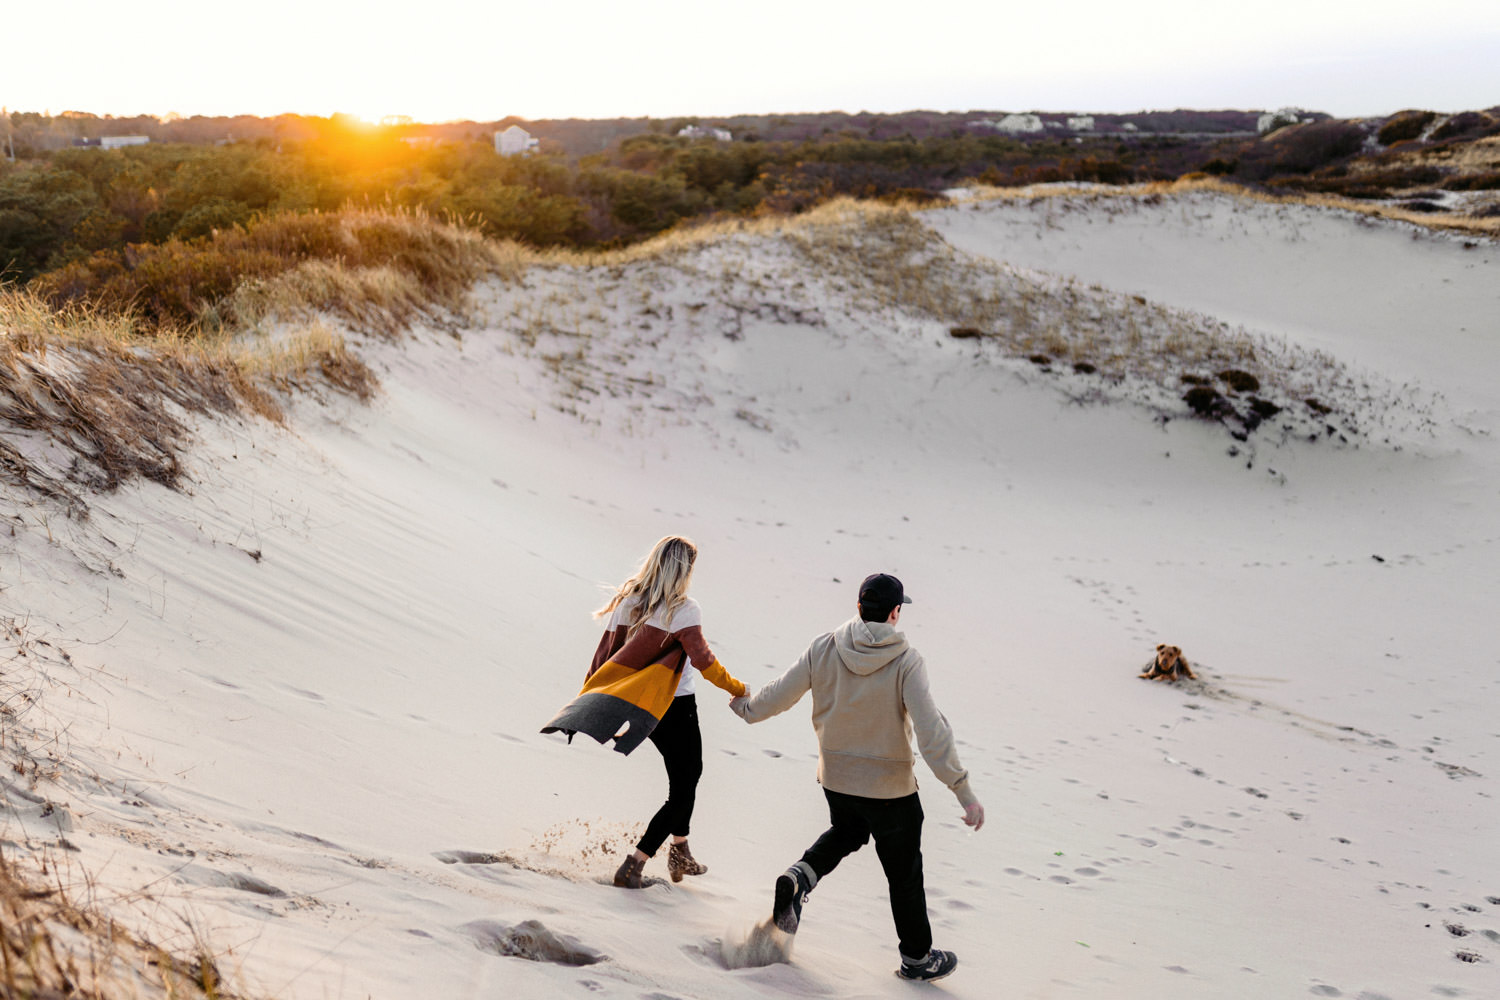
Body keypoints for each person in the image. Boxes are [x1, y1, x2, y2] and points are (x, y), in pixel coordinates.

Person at [728, 573, 983, 982]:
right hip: (890, 790)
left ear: (859, 605)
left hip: (837, 779)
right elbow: (932, 732)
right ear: (895, 613)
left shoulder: (824, 646)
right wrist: (963, 790)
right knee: (904, 874)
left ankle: (800, 877)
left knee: (848, 831)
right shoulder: (906, 661)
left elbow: (781, 693)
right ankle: (917, 959)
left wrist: (747, 708)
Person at [542, 535, 747, 889]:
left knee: (683, 780)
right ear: (684, 571)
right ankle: (636, 862)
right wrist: (737, 688)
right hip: (675, 704)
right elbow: (704, 661)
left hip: (642, 707)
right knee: (685, 784)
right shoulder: (684, 609)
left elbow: (603, 655)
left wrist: (586, 698)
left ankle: (680, 847)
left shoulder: (628, 603)